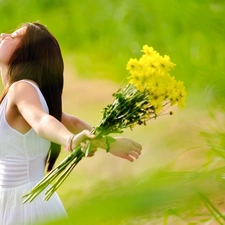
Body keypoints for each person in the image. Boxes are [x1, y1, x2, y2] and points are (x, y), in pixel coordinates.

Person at [0, 22, 142, 225]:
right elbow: (70, 121)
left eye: (14, 37)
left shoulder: (22, 89)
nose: (4, 34)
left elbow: (42, 121)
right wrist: (108, 143)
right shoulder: (17, 91)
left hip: (23, 205)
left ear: (26, 54)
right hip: (16, 199)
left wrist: (70, 140)